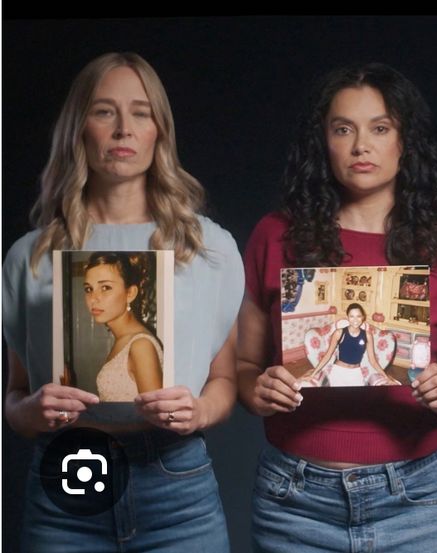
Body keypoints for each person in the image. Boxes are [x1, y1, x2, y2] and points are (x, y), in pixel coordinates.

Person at [237, 62, 437, 552]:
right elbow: (244, 366)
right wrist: (257, 388)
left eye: (380, 128)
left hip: (414, 499)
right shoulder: (275, 235)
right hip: (294, 499)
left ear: (405, 141)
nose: (360, 146)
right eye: (343, 129)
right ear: (322, 141)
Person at [2, 52, 242, 551]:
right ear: (78, 129)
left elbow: (224, 380)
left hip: (176, 485)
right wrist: (33, 410)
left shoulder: (208, 248)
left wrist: (197, 413)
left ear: (160, 130)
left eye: (141, 112)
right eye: (104, 111)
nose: (123, 130)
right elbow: (15, 398)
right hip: (67, 476)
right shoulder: (32, 256)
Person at [82, 251, 165, 401]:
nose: (93, 299)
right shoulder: (125, 339)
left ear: (130, 293)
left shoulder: (140, 345)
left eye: (105, 287)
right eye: (89, 289)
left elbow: (155, 417)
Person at [299, 302, 398, 387]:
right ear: (348, 317)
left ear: (363, 317)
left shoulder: (367, 335)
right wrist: (313, 374)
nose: (355, 320)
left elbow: (373, 361)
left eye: (358, 316)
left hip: (356, 373)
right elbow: (327, 356)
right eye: (352, 316)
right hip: (338, 372)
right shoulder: (339, 332)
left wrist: (386, 377)